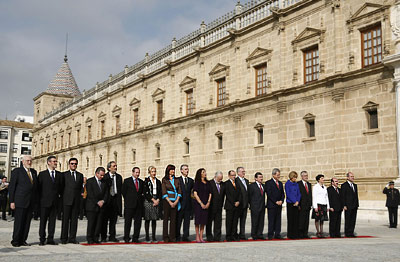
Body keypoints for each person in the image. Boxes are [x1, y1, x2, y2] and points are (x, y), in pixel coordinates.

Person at [9, 155, 38, 247]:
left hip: (30, 201)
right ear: (23, 162)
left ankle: (23, 240)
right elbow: (12, 187)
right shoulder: (17, 171)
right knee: (19, 222)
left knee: (27, 222)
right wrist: (11, 201)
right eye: (27, 161)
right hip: (20, 201)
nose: (29, 162)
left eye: (30, 161)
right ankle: (16, 240)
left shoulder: (33, 172)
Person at [37, 155, 62, 246]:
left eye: (56, 161)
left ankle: (50, 238)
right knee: (43, 221)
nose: (56, 163)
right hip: (44, 202)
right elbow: (38, 189)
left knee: (52, 222)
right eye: (54, 161)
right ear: (48, 162)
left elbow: (61, 188)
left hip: (55, 202)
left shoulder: (59, 175)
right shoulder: (42, 174)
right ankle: (42, 239)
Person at [60, 158, 84, 244]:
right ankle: (64, 238)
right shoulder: (64, 175)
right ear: (69, 164)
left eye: (75, 164)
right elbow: (61, 188)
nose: (74, 165)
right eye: (72, 163)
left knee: (74, 221)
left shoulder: (80, 175)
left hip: (76, 201)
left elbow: (81, 188)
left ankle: (72, 238)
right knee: (65, 220)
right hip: (66, 200)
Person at [86, 167, 109, 244]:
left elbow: (106, 193)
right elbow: (90, 193)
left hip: (101, 206)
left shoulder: (104, 182)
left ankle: (96, 238)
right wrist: (97, 202)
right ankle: (90, 238)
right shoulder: (90, 181)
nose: (102, 177)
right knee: (91, 223)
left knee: (99, 223)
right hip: (92, 205)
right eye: (101, 175)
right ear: (97, 173)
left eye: (103, 175)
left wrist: (103, 201)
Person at [102, 161, 123, 242]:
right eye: (114, 166)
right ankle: (103, 236)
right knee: (104, 220)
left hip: (115, 200)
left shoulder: (119, 177)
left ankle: (112, 236)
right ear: (109, 168)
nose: (115, 167)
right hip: (107, 201)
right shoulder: (105, 177)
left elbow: (120, 189)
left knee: (113, 220)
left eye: (116, 166)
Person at [122, 167, 144, 243]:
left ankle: (135, 237)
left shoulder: (141, 182)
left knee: (138, 222)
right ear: (132, 172)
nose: (137, 174)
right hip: (129, 205)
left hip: (138, 205)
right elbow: (124, 192)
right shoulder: (127, 181)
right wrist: (128, 200)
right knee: (128, 222)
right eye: (136, 172)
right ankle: (126, 237)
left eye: (138, 172)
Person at [161, 164, 182, 243]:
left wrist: (176, 201)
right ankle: (165, 237)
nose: (173, 171)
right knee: (166, 219)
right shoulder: (164, 180)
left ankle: (172, 237)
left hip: (175, 200)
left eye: (174, 170)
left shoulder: (177, 180)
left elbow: (179, 190)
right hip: (167, 201)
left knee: (173, 220)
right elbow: (164, 191)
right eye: (171, 169)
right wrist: (169, 201)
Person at [143, 166, 162, 243]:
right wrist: (153, 200)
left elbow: (160, 191)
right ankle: (147, 235)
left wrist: (157, 200)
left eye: (154, 171)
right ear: (149, 172)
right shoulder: (146, 181)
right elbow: (145, 192)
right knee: (148, 218)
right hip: (149, 200)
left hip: (156, 199)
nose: (154, 173)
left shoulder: (158, 181)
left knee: (154, 219)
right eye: (152, 172)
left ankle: (153, 236)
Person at [193, 168, 212, 243]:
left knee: (203, 221)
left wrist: (208, 202)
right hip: (198, 204)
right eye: (203, 172)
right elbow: (195, 193)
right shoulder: (197, 183)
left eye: (205, 172)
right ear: (200, 173)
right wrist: (201, 203)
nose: (205, 173)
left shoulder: (208, 183)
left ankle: (201, 236)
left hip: (206, 202)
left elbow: (210, 193)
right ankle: (197, 236)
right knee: (198, 221)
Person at [265, 168, 285, 240]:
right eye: (277, 175)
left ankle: (277, 233)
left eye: (279, 175)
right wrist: (275, 201)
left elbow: (282, 193)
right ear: (273, 175)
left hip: (279, 204)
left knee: (278, 220)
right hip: (272, 204)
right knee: (271, 220)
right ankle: (270, 234)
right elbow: (269, 194)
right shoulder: (268, 183)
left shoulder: (280, 183)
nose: (279, 176)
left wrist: (281, 201)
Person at [176, 164, 194, 242]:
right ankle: (177, 236)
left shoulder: (191, 180)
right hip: (180, 204)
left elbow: (192, 192)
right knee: (178, 221)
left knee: (187, 222)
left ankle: (185, 236)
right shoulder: (178, 180)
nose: (187, 171)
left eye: (187, 169)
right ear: (181, 171)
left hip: (188, 204)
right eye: (185, 169)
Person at [206, 171, 225, 242]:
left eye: (221, 179)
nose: (220, 180)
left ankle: (217, 236)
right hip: (211, 206)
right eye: (219, 179)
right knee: (209, 223)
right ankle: (209, 236)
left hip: (219, 206)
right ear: (215, 177)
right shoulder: (210, 183)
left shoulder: (223, 184)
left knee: (218, 222)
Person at [248, 172, 266, 240]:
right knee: (255, 222)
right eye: (260, 177)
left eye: (262, 177)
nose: (261, 178)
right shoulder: (252, 186)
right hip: (255, 207)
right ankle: (254, 234)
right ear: (256, 178)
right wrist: (252, 205)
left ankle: (260, 234)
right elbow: (249, 196)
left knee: (261, 221)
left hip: (262, 206)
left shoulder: (263, 186)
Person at [341, 172, 359, 237]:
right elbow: (343, 196)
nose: (353, 177)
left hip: (354, 205)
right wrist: (344, 205)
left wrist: (357, 204)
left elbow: (356, 196)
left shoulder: (355, 185)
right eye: (351, 176)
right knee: (348, 219)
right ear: (348, 177)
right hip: (348, 206)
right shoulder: (344, 185)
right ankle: (347, 232)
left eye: (353, 176)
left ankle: (351, 232)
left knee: (353, 220)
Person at [224, 170, 240, 241]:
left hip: (237, 205)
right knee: (229, 221)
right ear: (229, 176)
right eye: (232, 175)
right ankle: (228, 236)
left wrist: (238, 201)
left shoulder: (237, 183)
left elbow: (240, 193)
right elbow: (228, 194)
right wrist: (233, 202)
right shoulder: (226, 184)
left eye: (234, 175)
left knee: (235, 222)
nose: (234, 177)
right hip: (230, 205)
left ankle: (234, 235)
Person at [285, 171, 301, 239]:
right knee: (291, 219)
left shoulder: (296, 184)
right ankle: (290, 234)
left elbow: (299, 193)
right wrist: (294, 201)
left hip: (296, 203)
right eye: (294, 177)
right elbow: (288, 194)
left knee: (296, 219)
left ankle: (296, 234)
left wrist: (297, 201)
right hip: (290, 203)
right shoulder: (287, 184)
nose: (295, 179)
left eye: (296, 177)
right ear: (291, 177)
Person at [235, 167, 249, 240]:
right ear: (238, 173)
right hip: (239, 204)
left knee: (243, 220)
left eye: (244, 171)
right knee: (236, 220)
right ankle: (235, 234)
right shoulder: (236, 181)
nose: (244, 172)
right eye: (242, 171)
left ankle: (242, 234)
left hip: (245, 204)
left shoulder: (246, 181)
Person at [297, 171, 312, 238]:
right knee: (301, 220)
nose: (306, 177)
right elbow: (297, 194)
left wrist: (310, 204)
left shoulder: (309, 184)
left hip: (307, 205)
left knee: (306, 220)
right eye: (305, 175)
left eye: (307, 175)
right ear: (302, 176)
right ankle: (300, 233)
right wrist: (298, 204)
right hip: (301, 205)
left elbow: (310, 195)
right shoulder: (298, 184)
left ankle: (305, 233)